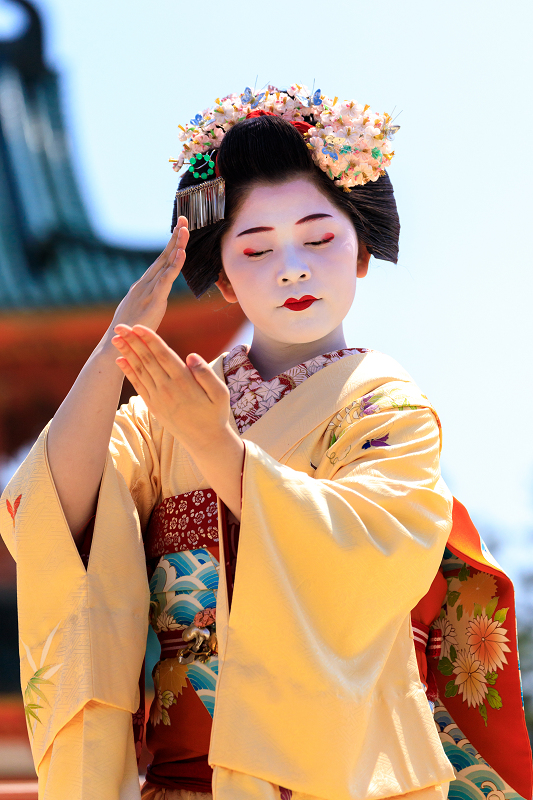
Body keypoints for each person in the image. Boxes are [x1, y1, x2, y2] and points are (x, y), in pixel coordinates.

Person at [1, 85, 531, 800]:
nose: (292, 267)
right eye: (256, 247)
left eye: (318, 238)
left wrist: (219, 450)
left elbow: (370, 558)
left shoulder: (385, 407)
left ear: (363, 253)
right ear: (221, 278)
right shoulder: (166, 411)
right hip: (182, 781)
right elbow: (50, 512)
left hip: (337, 778)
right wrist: (113, 350)